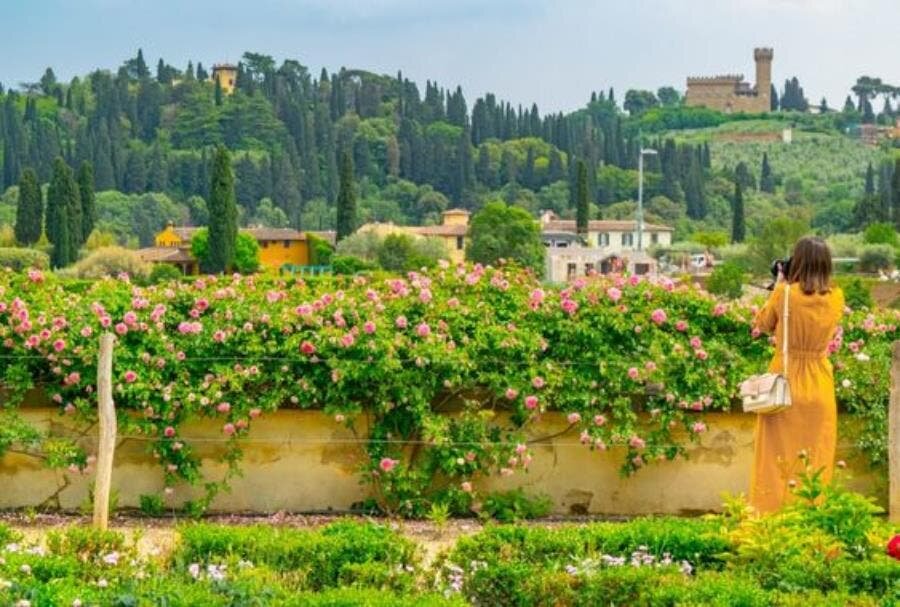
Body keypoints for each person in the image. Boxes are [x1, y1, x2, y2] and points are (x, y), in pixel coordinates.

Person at [750, 237, 844, 513]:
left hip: (785, 382)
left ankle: (771, 526)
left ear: (797, 262)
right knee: (816, 464)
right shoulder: (837, 297)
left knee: (774, 462)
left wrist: (780, 283)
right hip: (820, 383)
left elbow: (762, 325)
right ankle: (812, 527)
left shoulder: (785, 293)